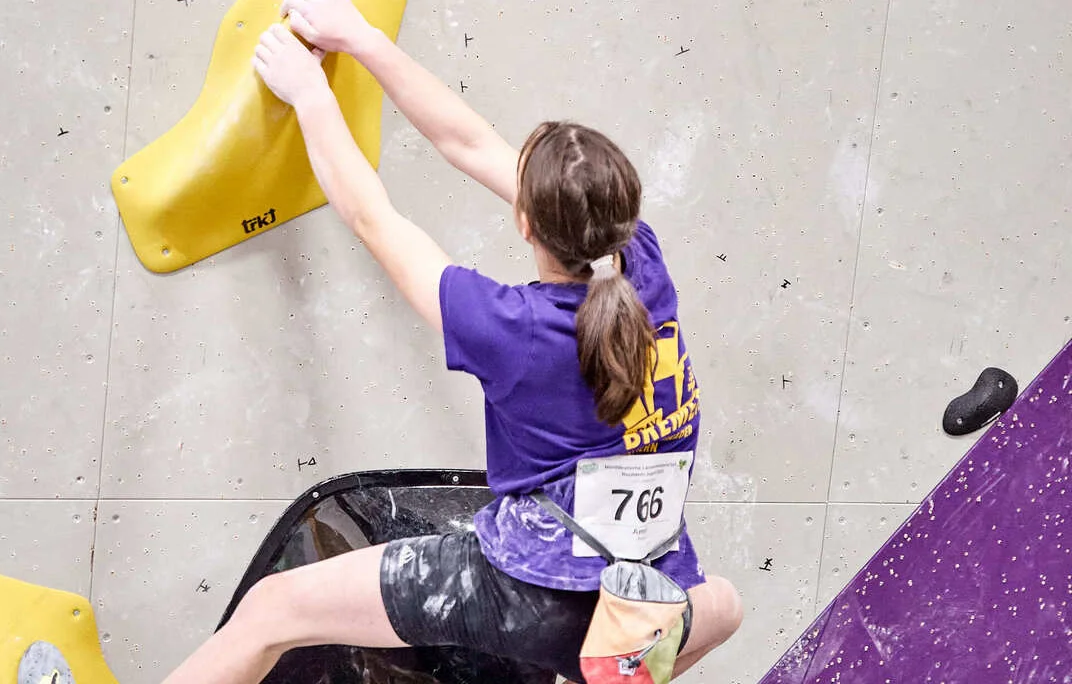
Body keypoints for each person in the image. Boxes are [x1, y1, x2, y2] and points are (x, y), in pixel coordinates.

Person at [162, 1, 742, 682]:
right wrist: (360, 39)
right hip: (632, 601)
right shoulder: (646, 266)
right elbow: (466, 142)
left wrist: (308, 91)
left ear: (525, 221)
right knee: (725, 604)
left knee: (274, 609)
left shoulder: (513, 330)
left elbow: (372, 218)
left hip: (531, 593)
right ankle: (605, 669)